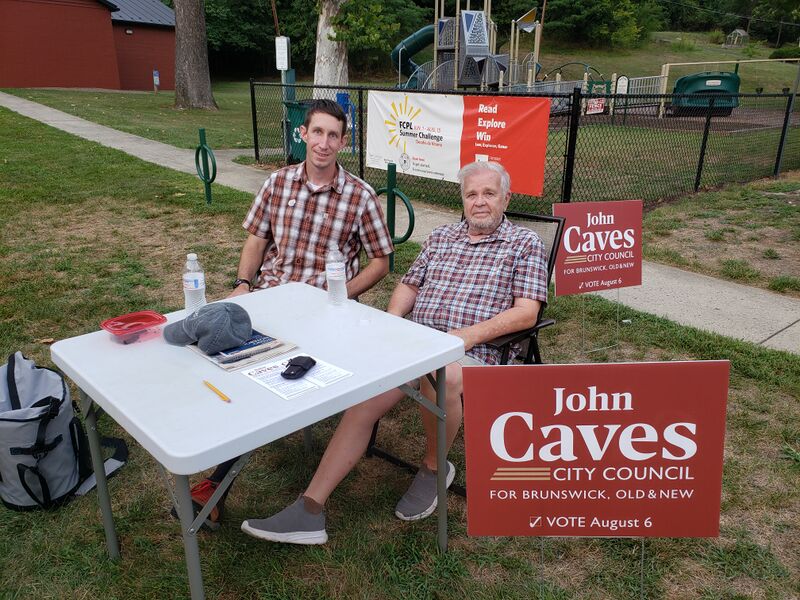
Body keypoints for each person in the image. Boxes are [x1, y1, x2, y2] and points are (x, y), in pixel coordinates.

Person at [240, 160, 549, 545]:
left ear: (507, 197)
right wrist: (392, 322)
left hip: (475, 351)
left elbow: (526, 312)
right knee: (365, 398)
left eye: (489, 193)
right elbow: (409, 285)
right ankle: (310, 509)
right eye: (472, 194)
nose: (480, 202)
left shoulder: (524, 243)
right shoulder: (442, 236)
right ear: (463, 199)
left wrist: (464, 337)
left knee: (443, 374)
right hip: (417, 342)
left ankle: (434, 468)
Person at [181, 99, 394, 530]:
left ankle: (213, 485)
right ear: (303, 134)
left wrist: (340, 296)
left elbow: (381, 262)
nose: (324, 143)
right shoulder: (277, 183)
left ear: (344, 142)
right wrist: (243, 284)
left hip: (323, 315)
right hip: (268, 301)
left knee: (260, 386)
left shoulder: (360, 196)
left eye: (333, 135)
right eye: (317, 132)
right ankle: (207, 443)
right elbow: (257, 240)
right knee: (216, 364)